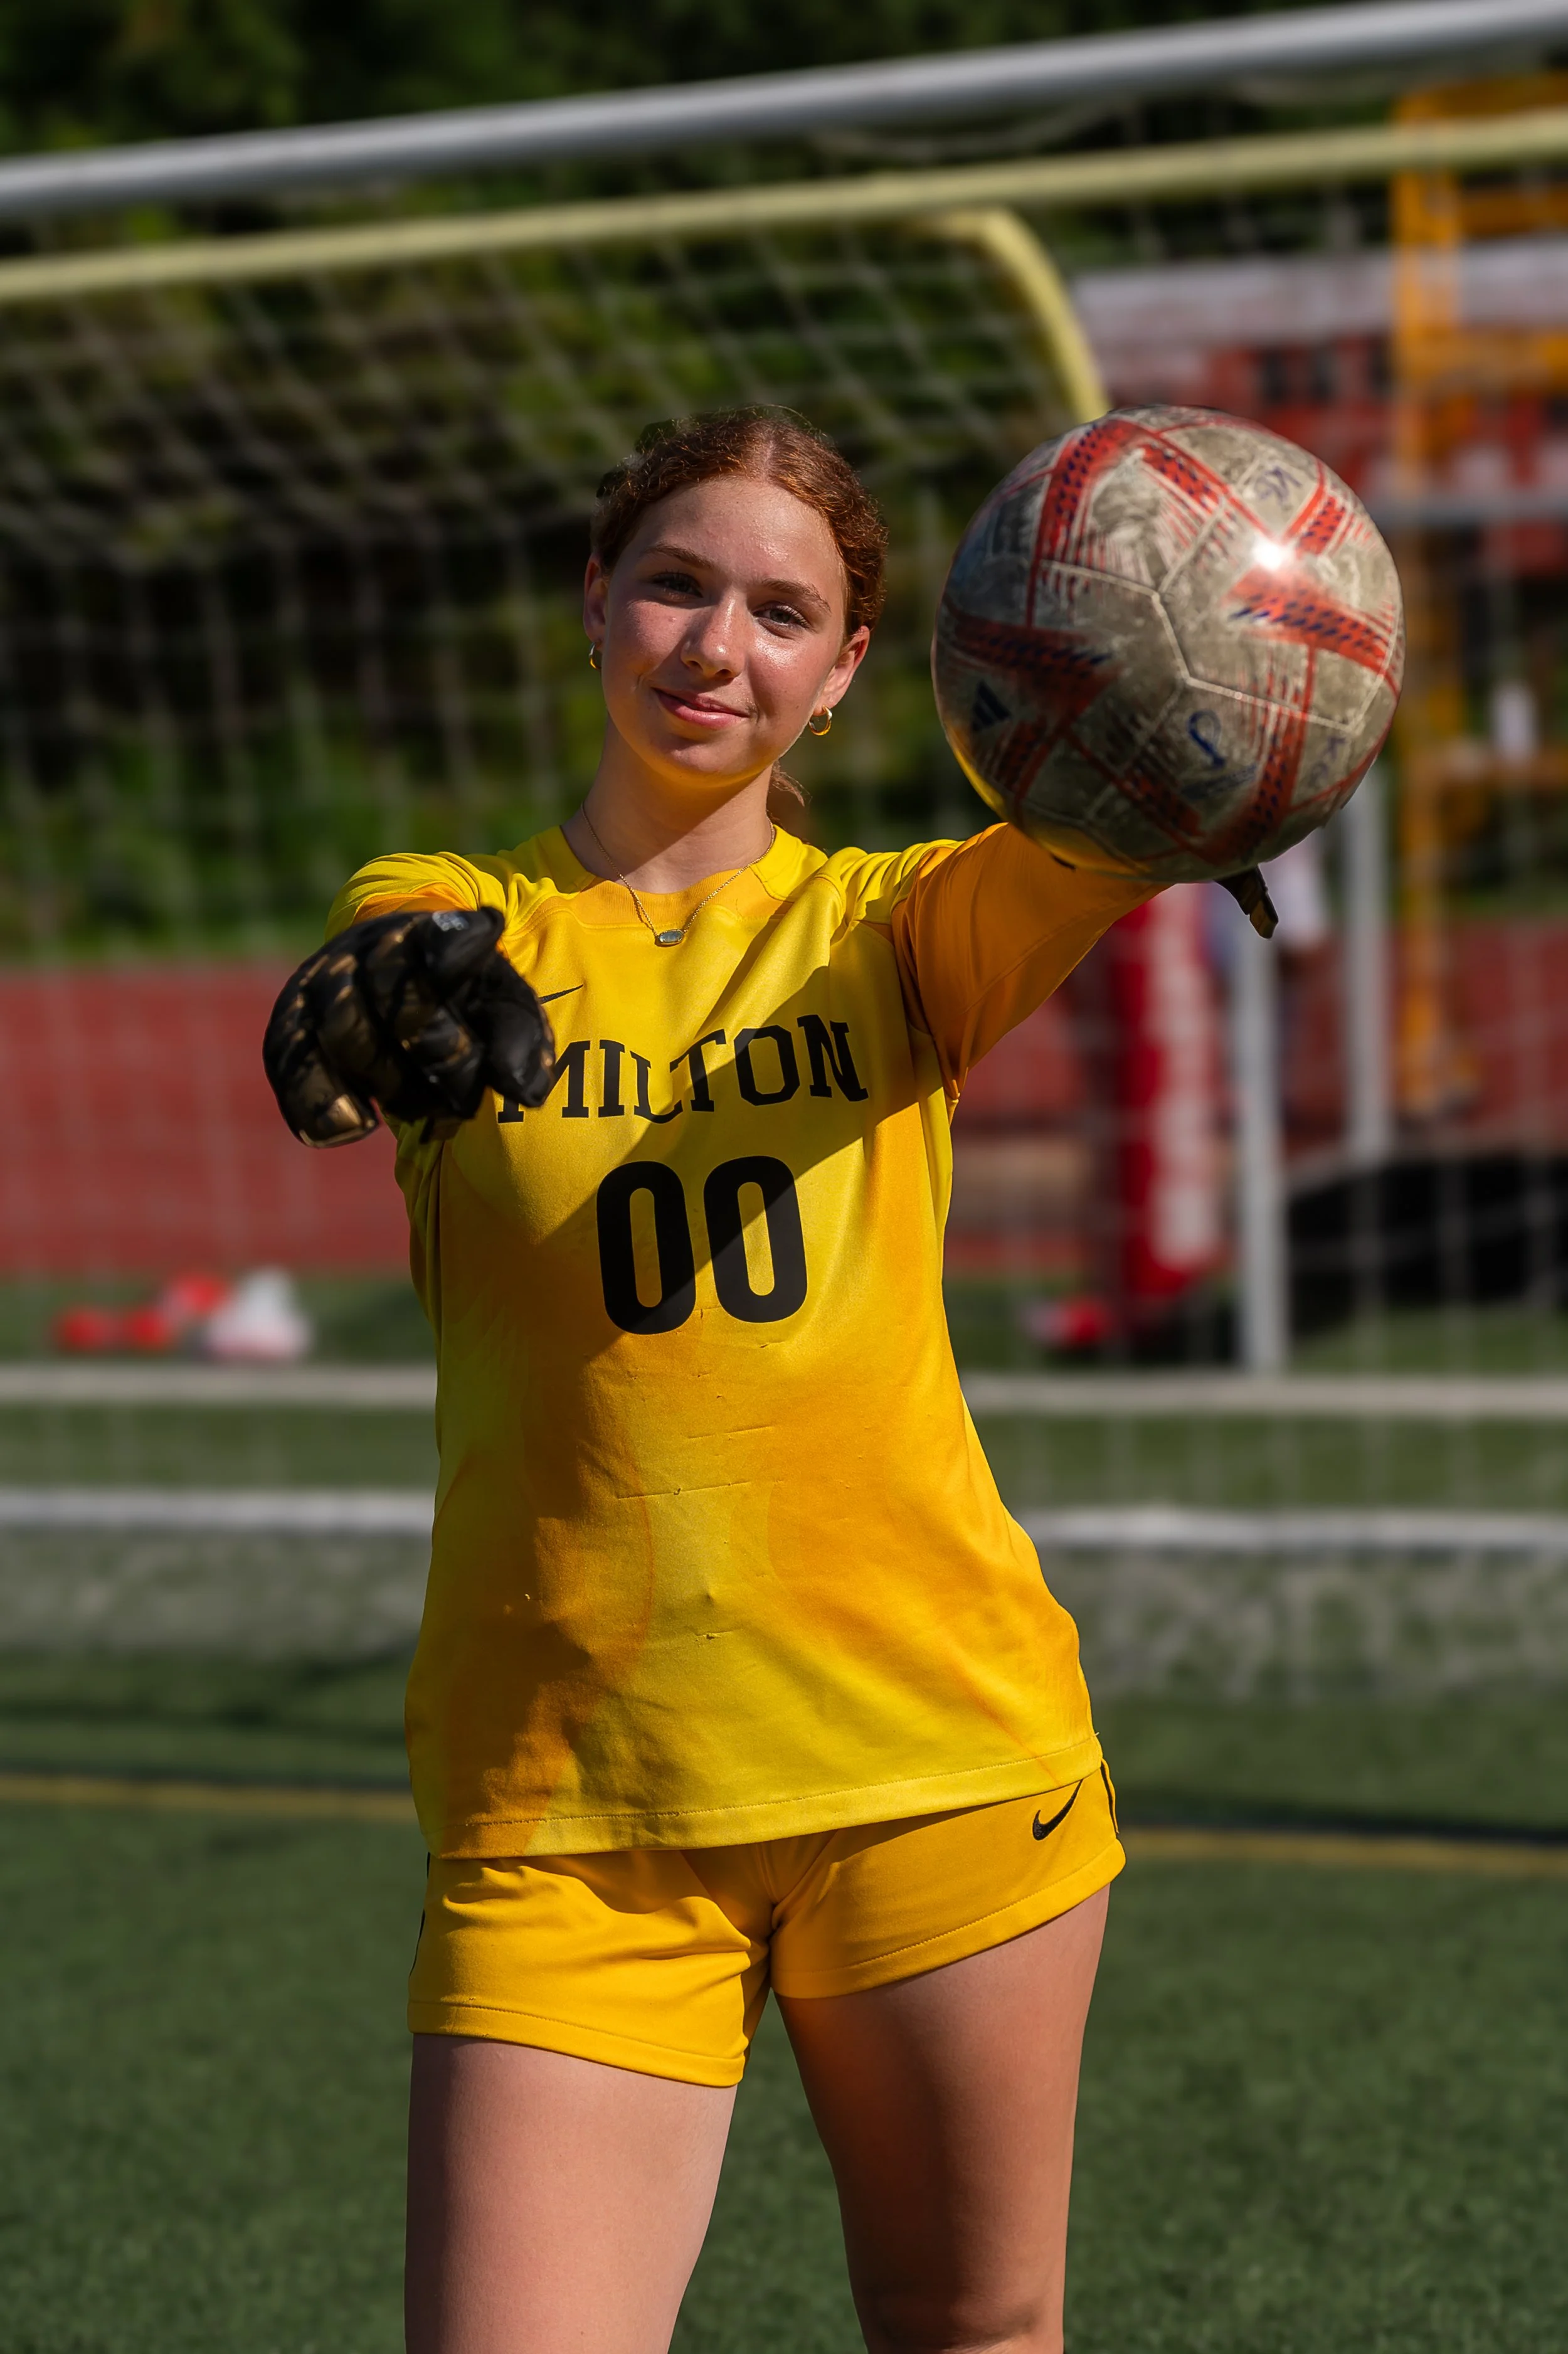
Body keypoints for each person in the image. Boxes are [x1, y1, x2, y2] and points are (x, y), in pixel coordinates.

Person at [273, 407, 1152, 2354]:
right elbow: (381, 962)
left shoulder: (896, 929)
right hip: (567, 1807)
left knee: (970, 2330)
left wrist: (1210, 728)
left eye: (780, 613)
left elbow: (1100, 838)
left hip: (933, 1765)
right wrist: (394, 993)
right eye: (674, 585)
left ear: (845, 672)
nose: (714, 647)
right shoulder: (463, 911)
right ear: (596, 601)